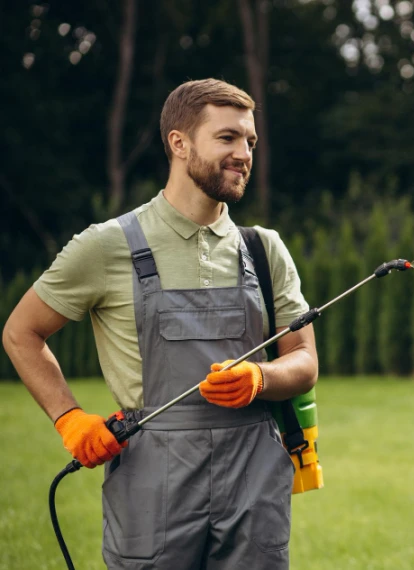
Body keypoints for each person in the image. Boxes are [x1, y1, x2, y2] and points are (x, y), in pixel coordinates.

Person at [2, 78, 318, 569]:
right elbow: (21, 333)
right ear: (179, 143)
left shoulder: (263, 248)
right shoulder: (107, 246)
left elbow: (304, 360)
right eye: (228, 138)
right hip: (152, 479)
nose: (244, 154)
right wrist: (70, 419)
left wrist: (261, 376)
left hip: (254, 476)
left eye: (250, 141)